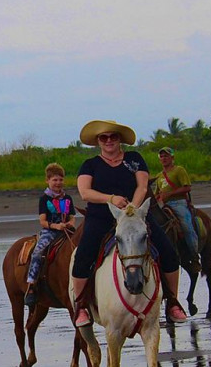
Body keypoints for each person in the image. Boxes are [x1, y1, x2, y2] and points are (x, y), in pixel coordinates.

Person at [70, 120, 188, 327]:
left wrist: (132, 210)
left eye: (113, 137)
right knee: (83, 255)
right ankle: (81, 306)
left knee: (168, 251)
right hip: (101, 216)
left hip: (136, 215)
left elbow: (142, 186)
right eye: (103, 138)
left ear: (120, 140)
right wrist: (111, 199)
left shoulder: (134, 159)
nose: (108, 141)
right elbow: (85, 192)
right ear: (98, 141)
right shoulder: (90, 165)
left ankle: (172, 302)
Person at [24, 163, 76, 308]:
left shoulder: (68, 198)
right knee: (37, 252)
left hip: (67, 231)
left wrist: (70, 223)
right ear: (48, 181)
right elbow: (42, 221)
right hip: (50, 231)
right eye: (55, 180)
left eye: (60, 180)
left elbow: (72, 217)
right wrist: (56, 226)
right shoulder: (44, 199)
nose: (58, 183)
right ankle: (31, 284)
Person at [154, 146, 199, 256]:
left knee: (187, 227)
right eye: (162, 156)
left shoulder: (179, 170)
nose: (164, 158)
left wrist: (170, 193)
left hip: (178, 203)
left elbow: (187, 187)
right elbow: (157, 193)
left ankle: (194, 254)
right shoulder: (159, 176)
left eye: (166, 156)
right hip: (164, 205)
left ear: (172, 157)